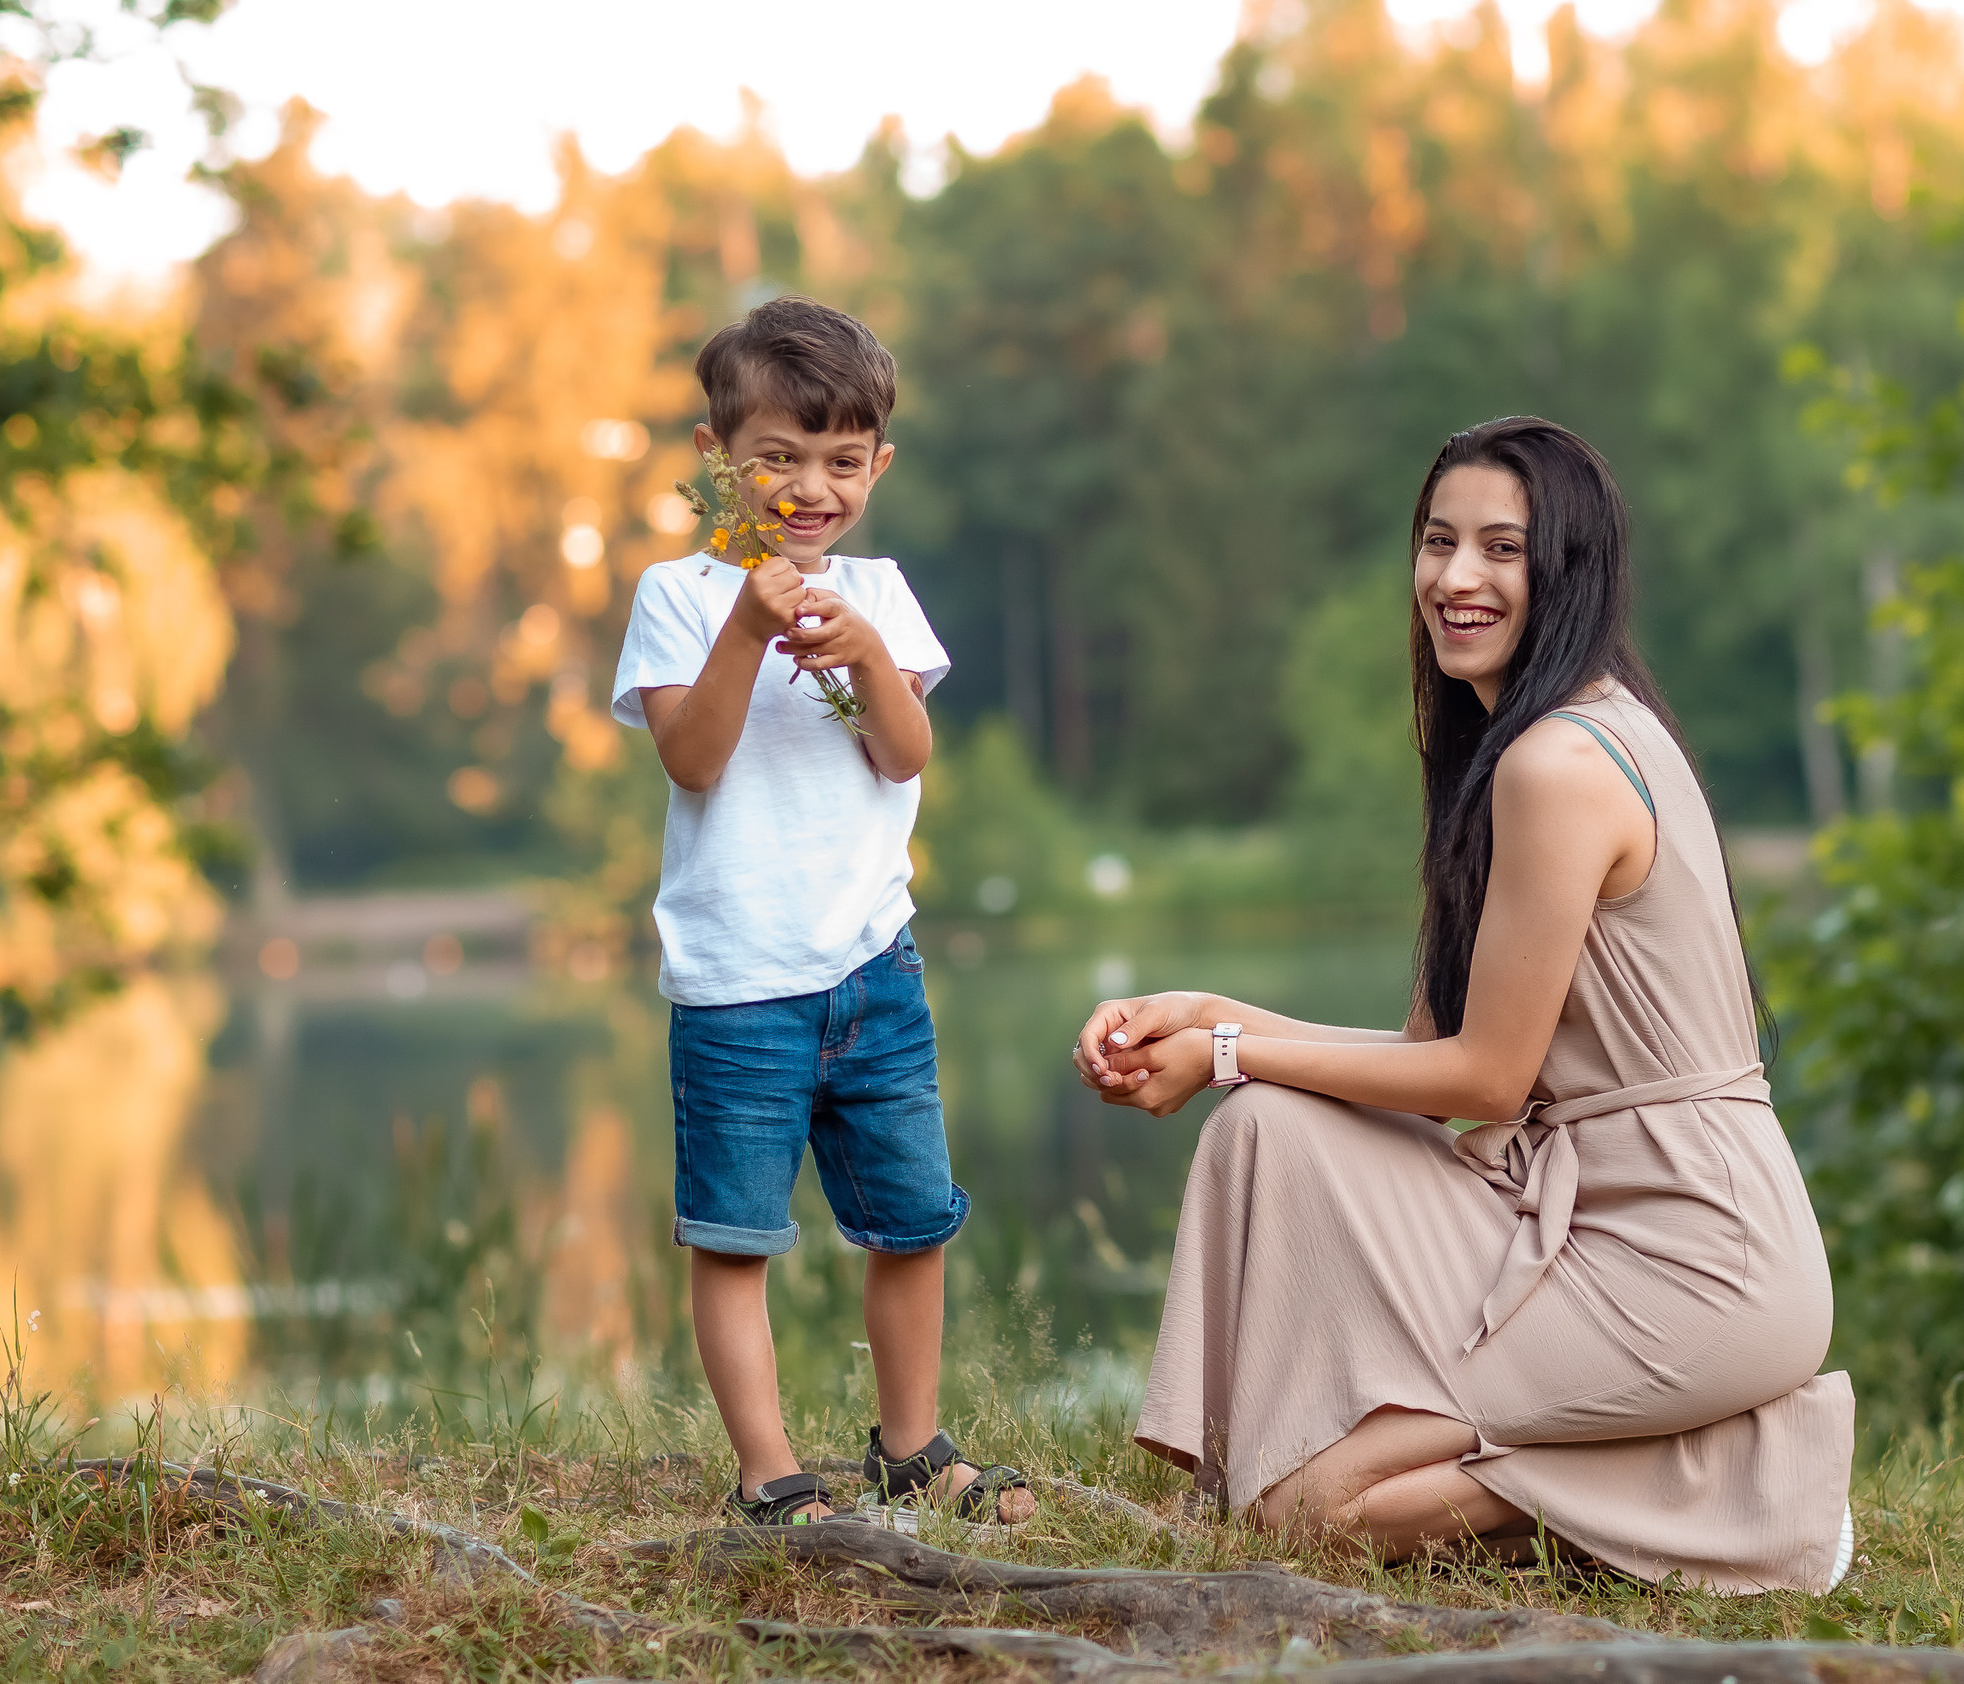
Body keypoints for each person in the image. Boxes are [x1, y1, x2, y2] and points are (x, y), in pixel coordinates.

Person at [1073, 416, 1851, 1591]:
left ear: (1568, 571)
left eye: (1501, 547)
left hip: (1699, 1258)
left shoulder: (1561, 765)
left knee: (1309, 1513)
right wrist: (1211, 1013)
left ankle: (1749, 1479)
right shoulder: (1526, 748)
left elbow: (1482, 1087)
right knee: (1263, 1128)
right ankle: (1660, 1452)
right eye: (1437, 542)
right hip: (1592, 1224)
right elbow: (1429, 1060)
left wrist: (1229, 1049)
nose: (1454, 578)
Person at [611, 296, 1032, 1527]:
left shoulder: (879, 596)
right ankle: (768, 1473)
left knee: (912, 1221)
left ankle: (911, 1444)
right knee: (734, 1240)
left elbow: (903, 755)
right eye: (778, 459)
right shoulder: (679, 596)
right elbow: (693, 758)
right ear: (715, 458)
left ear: (877, 466)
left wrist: (864, 659)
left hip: (872, 966)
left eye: (841, 462)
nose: (810, 487)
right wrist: (750, 622)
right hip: (739, 981)